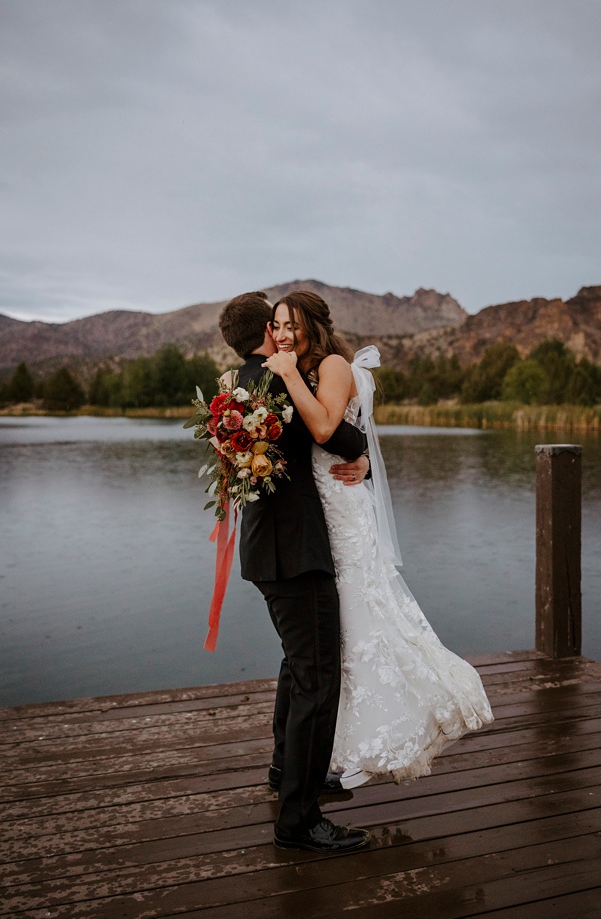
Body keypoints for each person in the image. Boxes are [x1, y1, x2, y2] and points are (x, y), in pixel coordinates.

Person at [262, 290, 492, 791]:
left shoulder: (333, 365)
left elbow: (324, 426)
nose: (282, 334)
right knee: (332, 637)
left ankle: (382, 735)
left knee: (358, 621)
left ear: (314, 327)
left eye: (292, 325)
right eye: (277, 325)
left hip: (342, 512)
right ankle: (320, 754)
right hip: (319, 512)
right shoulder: (296, 370)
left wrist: (286, 373)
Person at [218, 290, 373, 853]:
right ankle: (299, 821)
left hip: (267, 549)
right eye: (276, 323)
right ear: (267, 327)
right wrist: (365, 457)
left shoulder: (236, 384)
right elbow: (334, 434)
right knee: (317, 678)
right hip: (295, 551)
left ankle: (287, 772)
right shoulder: (277, 379)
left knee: (296, 665)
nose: (283, 333)